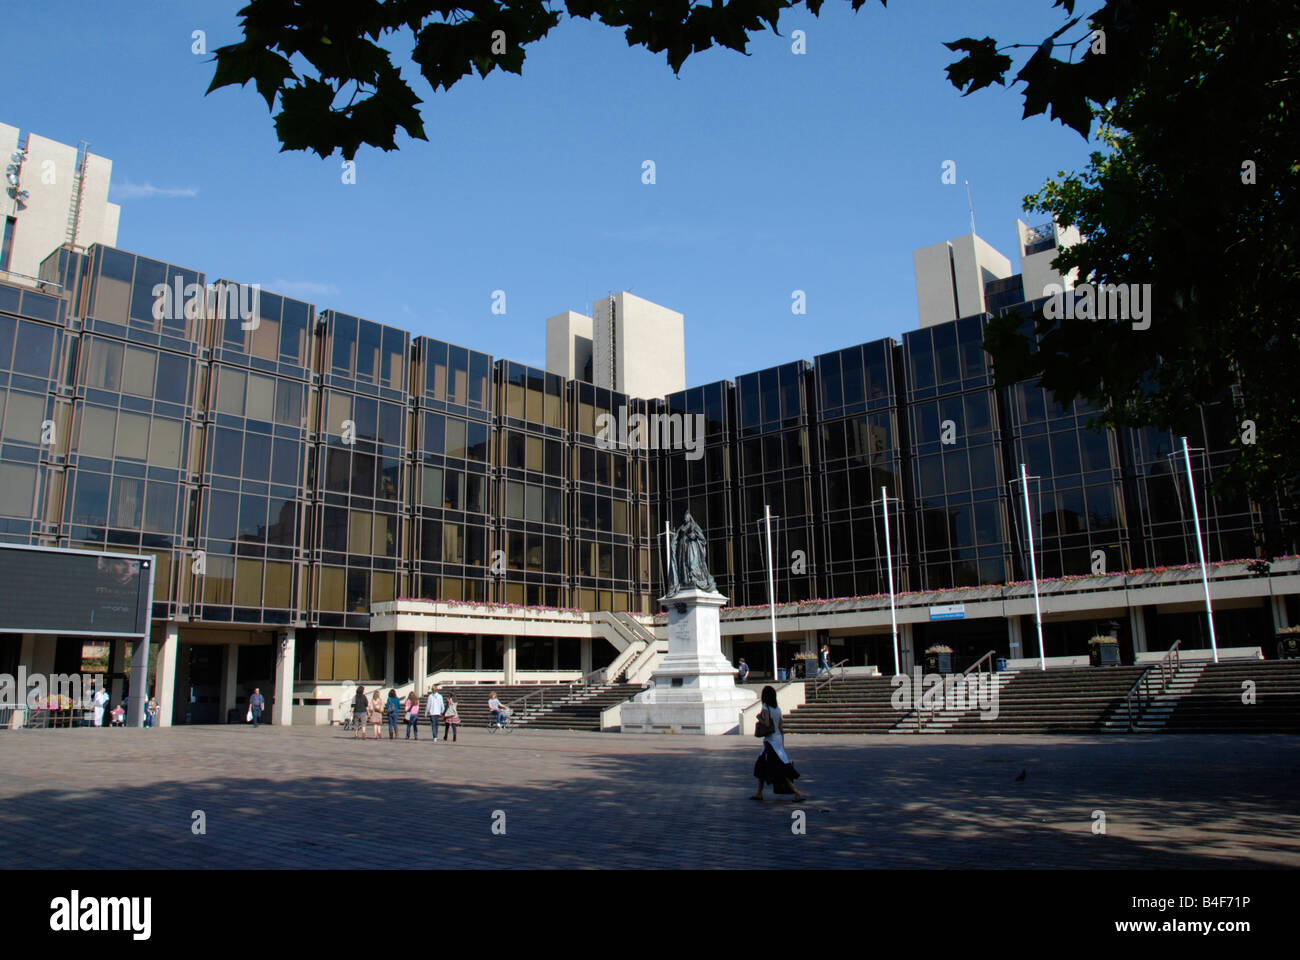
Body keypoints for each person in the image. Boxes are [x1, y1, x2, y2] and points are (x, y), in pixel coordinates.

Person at [752, 685, 804, 802]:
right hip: (777, 740)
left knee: (779, 768)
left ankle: (796, 792)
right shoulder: (778, 709)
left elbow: (766, 724)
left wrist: (758, 718)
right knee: (762, 766)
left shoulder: (766, 708)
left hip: (770, 742)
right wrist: (782, 744)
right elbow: (781, 727)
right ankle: (759, 792)